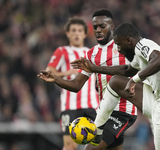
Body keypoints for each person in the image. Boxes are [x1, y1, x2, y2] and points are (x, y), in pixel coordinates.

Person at [71, 22, 160, 149]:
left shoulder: (143, 44)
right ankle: (98, 130)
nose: (119, 50)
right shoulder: (139, 53)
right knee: (116, 82)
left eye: (119, 45)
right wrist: (94, 68)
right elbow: (126, 70)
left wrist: (134, 80)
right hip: (159, 102)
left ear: (129, 41)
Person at [38, 9, 137, 150]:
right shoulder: (91, 54)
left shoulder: (124, 48)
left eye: (102, 26)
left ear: (112, 26)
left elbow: (134, 70)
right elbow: (76, 84)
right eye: (95, 27)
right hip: (103, 113)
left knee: (90, 148)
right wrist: (55, 79)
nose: (98, 30)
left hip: (122, 111)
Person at [45, 16, 99, 150]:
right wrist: (67, 73)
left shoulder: (91, 53)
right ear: (68, 33)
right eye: (73, 30)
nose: (76, 33)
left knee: (98, 145)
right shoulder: (62, 51)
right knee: (70, 146)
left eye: (80, 30)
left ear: (85, 34)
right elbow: (48, 72)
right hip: (70, 106)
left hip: (93, 105)